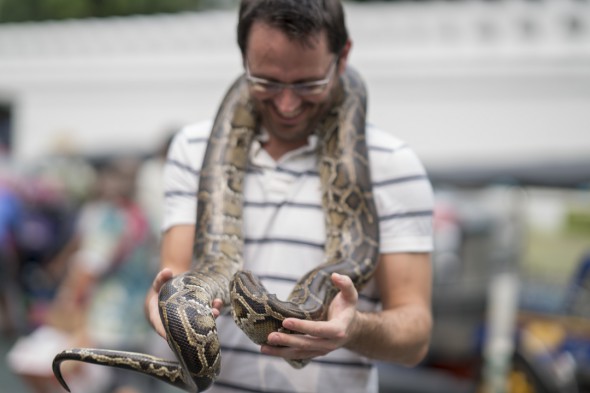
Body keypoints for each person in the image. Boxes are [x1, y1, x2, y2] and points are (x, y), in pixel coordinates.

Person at [145, 1, 434, 392]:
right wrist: (164, 307)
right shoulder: (192, 148)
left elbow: (415, 337)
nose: (286, 104)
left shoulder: (393, 165)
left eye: (308, 84)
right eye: (266, 81)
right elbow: (176, 271)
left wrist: (354, 328)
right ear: (243, 57)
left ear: (343, 56)